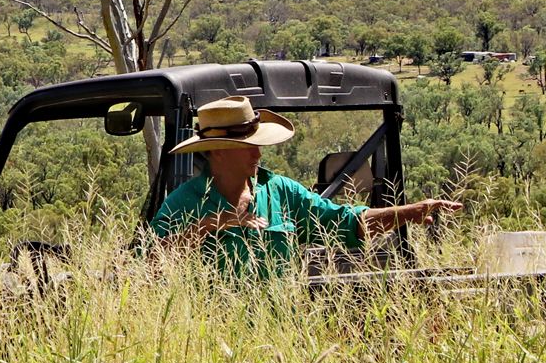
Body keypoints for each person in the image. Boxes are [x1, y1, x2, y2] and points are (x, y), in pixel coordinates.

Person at [148, 96, 461, 280]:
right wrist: (211, 226)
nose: (258, 153)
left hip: (279, 339)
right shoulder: (182, 203)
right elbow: (150, 262)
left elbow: (347, 223)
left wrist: (413, 211)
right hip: (212, 343)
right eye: (248, 146)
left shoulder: (280, 191)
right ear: (218, 150)